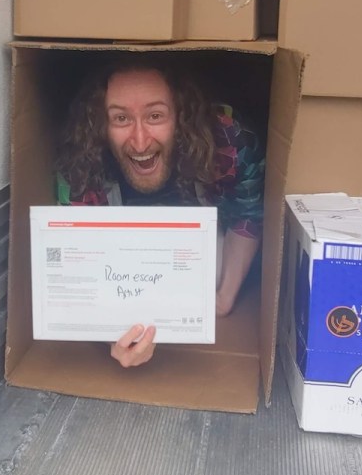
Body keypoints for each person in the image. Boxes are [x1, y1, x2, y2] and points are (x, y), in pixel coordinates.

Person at [55, 57, 265, 369]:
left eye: (155, 116)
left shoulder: (228, 140)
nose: (140, 142)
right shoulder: (81, 159)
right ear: (100, 125)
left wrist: (223, 299)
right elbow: (75, 256)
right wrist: (109, 331)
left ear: (181, 116)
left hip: (205, 259)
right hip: (121, 273)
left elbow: (250, 211)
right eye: (121, 119)